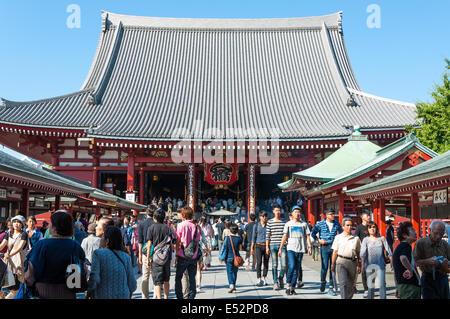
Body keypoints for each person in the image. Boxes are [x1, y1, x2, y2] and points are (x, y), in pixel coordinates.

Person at [25, 210, 86, 299]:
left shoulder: (41, 245)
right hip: (68, 293)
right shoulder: (75, 246)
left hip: (43, 292)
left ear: (53, 227)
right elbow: (82, 271)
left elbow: (29, 276)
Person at [87, 225, 136, 299]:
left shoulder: (98, 254)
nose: (100, 239)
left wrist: (88, 293)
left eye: (102, 237)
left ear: (107, 241)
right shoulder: (126, 257)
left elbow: (94, 279)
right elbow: (132, 284)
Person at [279, 206, 311, 295]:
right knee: (292, 266)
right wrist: (280, 248)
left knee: (297, 269)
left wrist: (309, 247)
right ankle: (288, 284)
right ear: (292, 214)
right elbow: (284, 236)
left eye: (298, 212)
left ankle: (292, 287)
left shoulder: (304, 224)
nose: (297, 213)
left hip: (300, 249)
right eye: (295, 212)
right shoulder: (288, 224)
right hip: (290, 248)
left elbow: (307, 236)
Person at [413, 220, 450, 299]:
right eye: (436, 233)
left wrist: (447, 263)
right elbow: (414, 262)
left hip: (443, 278)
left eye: (441, 234)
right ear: (430, 230)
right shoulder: (421, 243)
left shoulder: (444, 244)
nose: (438, 236)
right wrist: (427, 261)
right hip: (428, 278)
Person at [311, 209, 343, 295]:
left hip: (334, 247)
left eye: (334, 214)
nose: (333, 215)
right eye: (331, 214)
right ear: (326, 215)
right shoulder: (320, 224)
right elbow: (313, 233)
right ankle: (323, 282)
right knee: (324, 266)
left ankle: (331, 287)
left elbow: (342, 233)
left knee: (333, 266)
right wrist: (319, 240)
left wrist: (339, 241)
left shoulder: (336, 223)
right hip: (324, 247)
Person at [146, 209, 175, 299]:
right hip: (166, 256)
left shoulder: (151, 228)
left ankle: (159, 298)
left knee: (157, 281)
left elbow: (149, 244)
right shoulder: (168, 228)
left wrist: (148, 258)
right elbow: (172, 243)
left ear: (154, 218)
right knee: (166, 279)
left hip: (156, 257)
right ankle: (166, 297)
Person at [360, 221, 393, 299]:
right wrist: (362, 265)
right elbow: (363, 253)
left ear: (376, 228)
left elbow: (389, 250)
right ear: (367, 229)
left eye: (374, 227)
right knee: (371, 287)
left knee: (382, 285)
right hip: (369, 266)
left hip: (380, 265)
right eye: (370, 227)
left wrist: (391, 261)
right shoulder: (366, 240)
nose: (372, 229)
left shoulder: (382, 238)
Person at [331, 217, 361, 299]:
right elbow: (335, 252)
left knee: (350, 285)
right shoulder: (338, 237)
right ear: (343, 226)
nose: (349, 227)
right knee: (343, 283)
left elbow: (358, 253)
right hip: (341, 261)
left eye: (351, 225)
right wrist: (332, 264)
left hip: (352, 262)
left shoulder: (356, 238)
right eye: (347, 225)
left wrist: (359, 265)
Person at [175, 206, 201, 299]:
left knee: (178, 277)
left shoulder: (180, 225)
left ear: (184, 215)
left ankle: (180, 296)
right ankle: (191, 297)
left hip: (182, 254)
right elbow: (197, 242)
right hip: (193, 256)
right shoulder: (196, 227)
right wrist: (195, 253)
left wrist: (177, 253)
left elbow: (178, 241)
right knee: (192, 278)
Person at [0, 215, 28, 298]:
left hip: (18, 263)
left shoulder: (24, 234)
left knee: (15, 288)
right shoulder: (8, 233)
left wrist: (9, 254)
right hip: (8, 262)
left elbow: (20, 248)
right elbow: (2, 245)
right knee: (5, 285)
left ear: (22, 224)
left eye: (19, 222)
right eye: (15, 221)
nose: (16, 224)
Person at [392, 221, 420, 299]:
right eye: (412, 230)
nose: (415, 232)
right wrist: (410, 270)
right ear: (405, 235)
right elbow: (403, 258)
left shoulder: (398, 247)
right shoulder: (406, 246)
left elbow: (395, 270)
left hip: (402, 285)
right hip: (410, 286)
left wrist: (397, 286)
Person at [266, 204, 287, 290]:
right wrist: (267, 247)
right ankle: (275, 282)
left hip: (282, 246)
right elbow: (267, 235)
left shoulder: (284, 222)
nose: (277, 212)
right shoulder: (270, 222)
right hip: (273, 245)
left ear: (281, 211)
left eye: (279, 210)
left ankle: (281, 278)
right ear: (273, 211)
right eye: (276, 210)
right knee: (274, 265)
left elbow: (286, 235)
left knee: (284, 265)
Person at [138, 205, 157, 299]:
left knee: (145, 276)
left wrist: (140, 255)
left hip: (145, 252)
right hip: (156, 252)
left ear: (146, 213)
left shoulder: (141, 224)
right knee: (155, 275)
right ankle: (155, 296)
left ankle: (145, 297)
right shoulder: (156, 223)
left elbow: (140, 241)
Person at [220, 223, 243, 293]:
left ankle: (231, 285)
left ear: (230, 230)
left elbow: (225, 248)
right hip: (237, 257)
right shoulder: (239, 239)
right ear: (237, 231)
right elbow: (240, 247)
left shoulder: (227, 238)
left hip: (229, 257)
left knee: (229, 272)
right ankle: (234, 285)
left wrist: (222, 258)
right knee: (235, 272)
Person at [354, 211, 370, 297]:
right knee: (360, 270)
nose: (368, 217)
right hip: (361, 252)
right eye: (367, 215)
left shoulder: (371, 226)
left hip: (371, 252)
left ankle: (369, 287)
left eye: (369, 215)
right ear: (362, 217)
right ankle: (363, 288)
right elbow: (356, 238)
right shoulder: (359, 227)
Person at [251, 211, 269, 287]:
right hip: (258, 245)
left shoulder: (268, 225)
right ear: (260, 217)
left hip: (266, 246)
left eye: (265, 216)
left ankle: (264, 278)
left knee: (266, 263)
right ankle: (258, 278)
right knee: (259, 263)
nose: (264, 218)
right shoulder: (256, 225)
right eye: (263, 216)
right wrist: (252, 247)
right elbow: (253, 237)